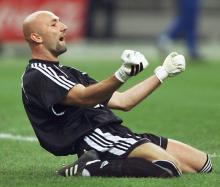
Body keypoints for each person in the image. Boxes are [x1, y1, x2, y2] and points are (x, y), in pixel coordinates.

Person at [21, 11, 212, 178]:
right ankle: (88, 167)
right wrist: (122, 73)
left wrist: (163, 72)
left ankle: (96, 163)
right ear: (37, 37)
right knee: (168, 167)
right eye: (54, 24)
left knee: (204, 164)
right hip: (93, 136)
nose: (64, 27)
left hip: (116, 132)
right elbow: (84, 97)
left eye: (60, 21)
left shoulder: (70, 72)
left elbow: (123, 101)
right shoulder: (38, 74)